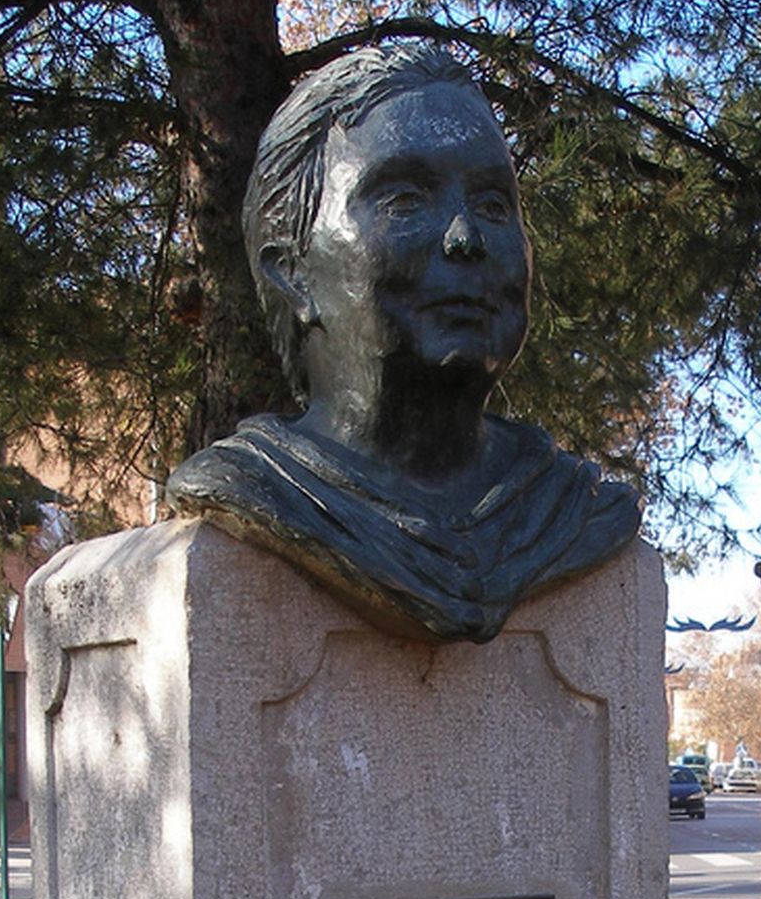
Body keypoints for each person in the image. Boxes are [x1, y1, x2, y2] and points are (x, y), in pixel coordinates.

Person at [165, 43, 641, 643]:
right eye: (405, 201)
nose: (465, 237)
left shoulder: (574, 512)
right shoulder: (263, 491)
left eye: (494, 205)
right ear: (295, 274)